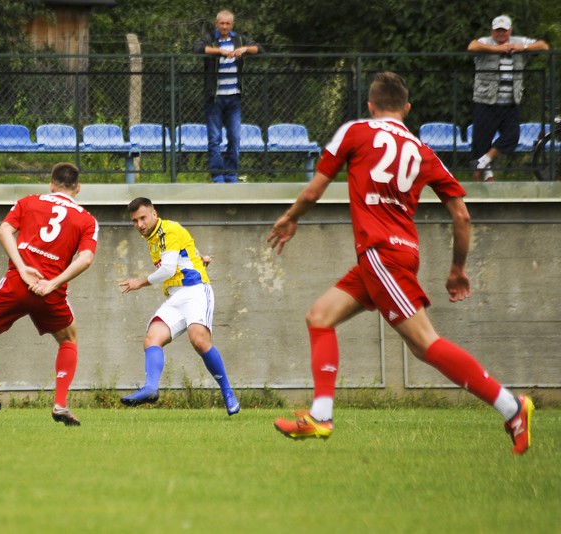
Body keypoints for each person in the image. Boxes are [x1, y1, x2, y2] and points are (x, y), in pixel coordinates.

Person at [267, 72, 533, 454]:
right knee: (320, 316)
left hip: (379, 254)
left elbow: (315, 189)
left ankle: (511, 407)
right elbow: (461, 216)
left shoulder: (356, 131)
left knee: (426, 345)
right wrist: (458, 267)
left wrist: (291, 217)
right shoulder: (423, 150)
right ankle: (320, 416)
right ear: (406, 109)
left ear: (371, 106)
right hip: (397, 254)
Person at [0, 162, 98, 427]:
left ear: (51, 184)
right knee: (68, 338)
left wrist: (23, 268)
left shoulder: (28, 201)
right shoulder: (87, 219)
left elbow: (3, 231)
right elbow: (86, 259)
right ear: (78, 187)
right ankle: (60, 403)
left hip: (17, 283)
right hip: (51, 292)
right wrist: (53, 283)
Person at [118, 197, 239, 415]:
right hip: (175, 297)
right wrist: (200, 257)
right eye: (135, 221)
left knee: (199, 340)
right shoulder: (155, 236)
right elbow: (184, 249)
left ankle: (228, 392)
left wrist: (140, 282)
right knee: (152, 337)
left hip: (195, 291)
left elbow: (167, 269)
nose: (139, 225)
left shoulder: (168, 230)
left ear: (154, 213)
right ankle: (150, 388)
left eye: (143, 218)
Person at [467, 15, 549, 182]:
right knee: (480, 142)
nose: (501, 34)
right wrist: (497, 50)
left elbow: (543, 46)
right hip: (485, 102)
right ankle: (482, 181)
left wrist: (521, 48)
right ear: (492, 31)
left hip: (510, 102)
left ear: (510, 31)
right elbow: (472, 46)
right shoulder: (486, 41)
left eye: (504, 31)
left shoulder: (518, 41)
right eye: (497, 30)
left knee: (512, 136)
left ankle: (482, 162)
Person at [194, 10, 260, 183]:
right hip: (214, 98)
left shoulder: (238, 39)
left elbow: (258, 48)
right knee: (215, 138)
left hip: (234, 97)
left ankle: (231, 174)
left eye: (227, 23)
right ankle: (217, 176)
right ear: (216, 24)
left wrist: (245, 49)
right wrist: (220, 52)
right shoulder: (210, 39)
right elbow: (198, 49)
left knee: (234, 137)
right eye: (221, 23)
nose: (224, 26)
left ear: (232, 25)